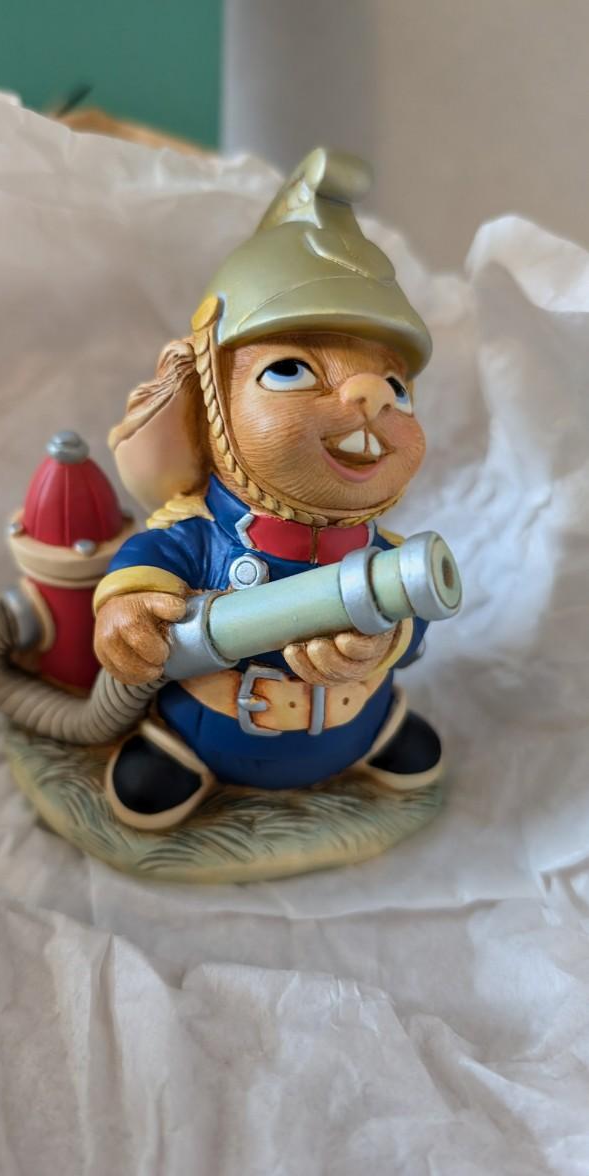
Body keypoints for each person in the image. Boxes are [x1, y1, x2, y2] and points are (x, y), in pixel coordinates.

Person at [94, 148, 442, 830]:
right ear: (212, 406)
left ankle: (376, 735)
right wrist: (126, 614)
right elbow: (144, 568)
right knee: (147, 784)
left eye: (394, 386)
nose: (371, 398)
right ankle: (180, 754)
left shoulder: (384, 552)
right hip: (215, 731)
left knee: (400, 714)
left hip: (355, 718)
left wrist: (386, 639)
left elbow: (416, 620)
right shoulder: (199, 535)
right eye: (290, 369)